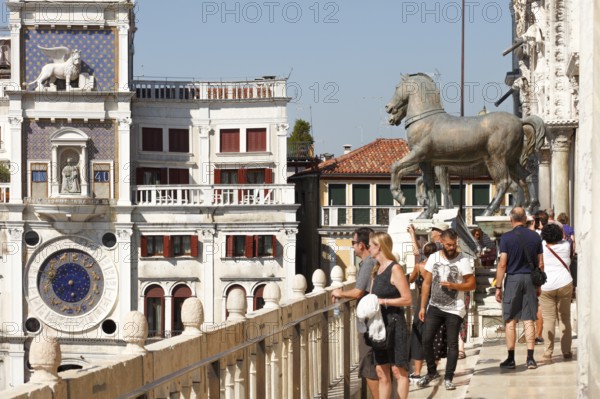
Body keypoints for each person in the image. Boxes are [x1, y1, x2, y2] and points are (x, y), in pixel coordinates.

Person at [417, 229, 475, 391]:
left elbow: (472, 284)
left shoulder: (462, 260)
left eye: (454, 244)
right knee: (426, 339)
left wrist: (455, 286)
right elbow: (427, 283)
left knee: (452, 344)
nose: (452, 247)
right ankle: (431, 372)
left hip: (455, 308)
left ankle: (449, 377)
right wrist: (422, 306)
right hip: (434, 306)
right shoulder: (434, 258)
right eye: (449, 245)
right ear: (441, 242)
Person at [331, 227, 379, 398]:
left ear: (362, 245)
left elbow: (358, 292)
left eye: (353, 243)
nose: (352, 246)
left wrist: (340, 293)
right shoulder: (374, 262)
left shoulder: (368, 264)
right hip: (376, 319)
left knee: (368, 363)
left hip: (369, 321)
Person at [495, 207, 544, 370]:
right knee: (529, 318)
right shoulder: (535, 237)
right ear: (525, 220)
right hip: (530, 278)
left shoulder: (506, 238)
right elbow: (541, 263)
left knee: (510, 319)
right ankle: (530, 358)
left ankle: (511, 359)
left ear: (511, 219)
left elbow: (503, 263)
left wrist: (498, 287)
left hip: (514, 279)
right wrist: (538, 285)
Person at [368, 232, 412, 399]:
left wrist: (383, 301)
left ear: (378, 246)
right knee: (381, 371)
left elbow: (407, 299)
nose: (369, 248)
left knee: (397, 370)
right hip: (378, 326)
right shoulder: (376, 270)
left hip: (394, 324)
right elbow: (372, 297)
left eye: (371, 245)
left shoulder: (395, 268)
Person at [408, 242, 448, 383]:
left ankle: (417, 372)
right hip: (437, 303)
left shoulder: (419, 267)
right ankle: (433, 370)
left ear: (425, 253)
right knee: (436, 335)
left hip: (422, 303)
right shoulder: (440, 267)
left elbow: (410, 280)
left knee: (418, 335)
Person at [539, 223, 574, 361]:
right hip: (565, 283)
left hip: (546, 285)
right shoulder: (566, 246)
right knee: (565, 318)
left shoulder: (541, 246)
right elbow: (567, 238)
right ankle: (566, 350)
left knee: (549, 319)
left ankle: (548, 352)